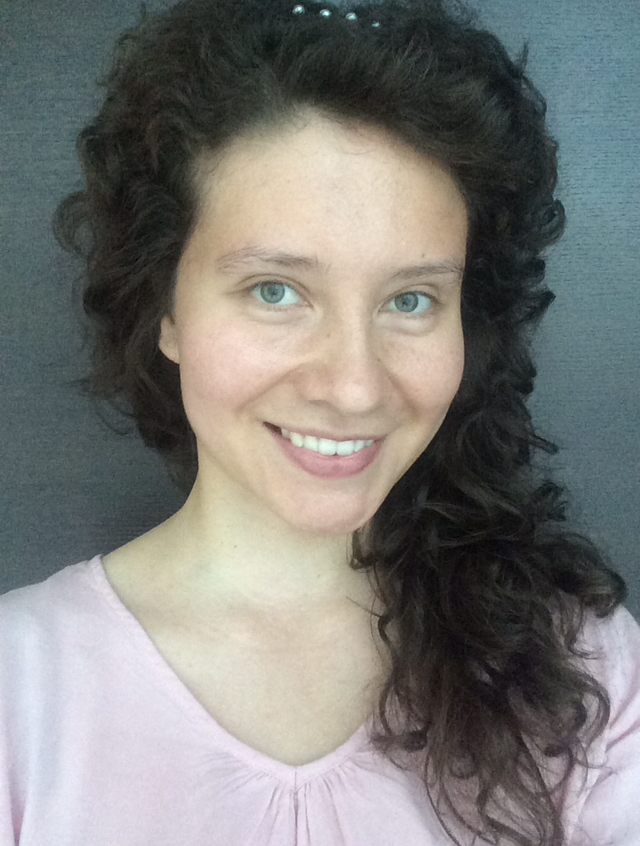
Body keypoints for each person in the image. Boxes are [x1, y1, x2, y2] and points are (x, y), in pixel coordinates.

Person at [1, 0, 638, 843]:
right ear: (166, 309)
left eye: (411, 300)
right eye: (276, 291)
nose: (353, 387)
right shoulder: (19, 689)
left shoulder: (582, 664)